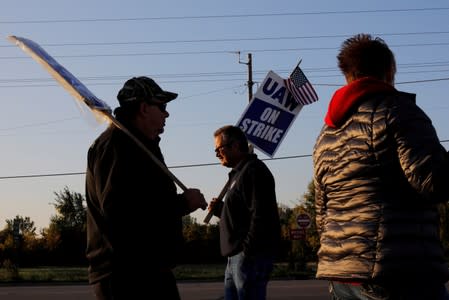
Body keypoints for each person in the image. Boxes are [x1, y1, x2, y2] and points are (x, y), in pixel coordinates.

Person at [313, 33, 449, 299]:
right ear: (389, 70)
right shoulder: (398, 111)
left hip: (342, 276)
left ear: (347, 75)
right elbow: (434, 182)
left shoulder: (325, 135)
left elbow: (322, 211)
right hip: (398, 271)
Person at [85, 76, 208, 300]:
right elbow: (119, 211)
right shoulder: (116, 145)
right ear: (143, 108)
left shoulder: (140, 145)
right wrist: (182, 203)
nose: (166, 114)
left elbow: (144, 200)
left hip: (150, 269)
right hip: (127, 275)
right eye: (161, 106)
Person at [208, 125, 281, 300]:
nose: (217, 154)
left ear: (234, 146)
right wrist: (222, 210)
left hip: (248, 259)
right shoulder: (239, 174)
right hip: (235, 259)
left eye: (219, 149)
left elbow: (261, 215)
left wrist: (247, 252)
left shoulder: (254, 170)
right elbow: (242, 215)